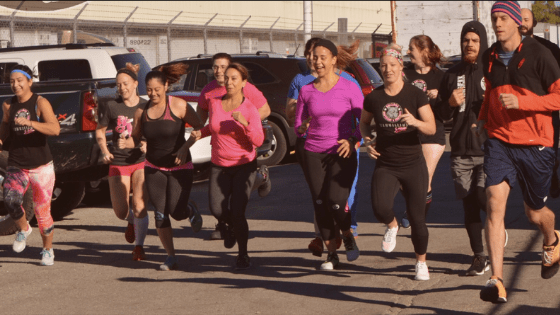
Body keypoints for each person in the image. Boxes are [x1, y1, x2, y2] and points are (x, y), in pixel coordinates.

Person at [478, 1, 560, 303]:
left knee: (535, 213)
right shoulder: (489, 57)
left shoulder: (541, 55)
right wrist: (481, 121)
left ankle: (552, 239)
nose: (497, 23)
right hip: (500, 140)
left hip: (536, 143)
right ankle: (497, 280)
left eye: (503, 18)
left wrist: (525, 103)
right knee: (494, 201)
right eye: (494, 18)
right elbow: (491, 92)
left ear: (516, 22)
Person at [360, 44, 436, 280]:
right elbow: (363, 124)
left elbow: (431, 128)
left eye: (392, 65)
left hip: (413, 164)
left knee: (417, 219)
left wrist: (415, 122)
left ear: (401, 66)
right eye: (383, 65)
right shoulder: (374, 97)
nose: (387, 69)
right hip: (386, 163)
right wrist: (366, 140)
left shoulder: (415, 94)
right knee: (379, 207)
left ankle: (421, 262)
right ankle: (392, 225)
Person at [119, 63, 204, 271]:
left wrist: (186, 146)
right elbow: (136, 139)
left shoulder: (179, 105)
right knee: (160, 213)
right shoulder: (142, 111)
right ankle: (171, 256)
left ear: (166, 86)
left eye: (157, 89)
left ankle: (189, 209)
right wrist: (126, 142)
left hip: (179, 167)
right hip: (154, 167)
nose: (153, 94)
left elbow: (200, 127)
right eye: (149, 90)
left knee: (176, 211)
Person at [286, 38, 363, 257]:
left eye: (322, 58)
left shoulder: (349, 86)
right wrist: (302, 126)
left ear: (333, 60)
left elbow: (363, 123)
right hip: (313, 152)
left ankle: (347, 234)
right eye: (314, 57)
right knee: (320, 202)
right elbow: (298, 126)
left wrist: (352, 140)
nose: (317, 62)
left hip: (341, 152)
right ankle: (331, 253)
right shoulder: (306, 90)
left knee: (337, 202)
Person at [194, 63, 264, 270]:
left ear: (243, 82)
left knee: (238, 211)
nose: (230, 82)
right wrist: (202, 133)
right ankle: (231, 227)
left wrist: (244, 123)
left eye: (235, 78)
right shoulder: (215, 103)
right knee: (217, 209)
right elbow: (214, 125)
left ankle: (243, 254)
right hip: (219, 164)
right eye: (227, 78)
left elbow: (259, 140)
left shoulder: (249, 109)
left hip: (244, 165)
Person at [440, 21, 493, 276]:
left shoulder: (493, 70)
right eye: (466, 40)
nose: (469, 44)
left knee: (485, 198)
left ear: (482, 41)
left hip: (489, 148)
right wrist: (449, 103)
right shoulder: (451, 74)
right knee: (470, 205)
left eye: (474, 40)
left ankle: (496, 227)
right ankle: (479, 257)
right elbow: (439, 113)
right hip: (460, 150)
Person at [0, 65, 60, 265]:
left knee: (43, 212)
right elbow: (5, 126)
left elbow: (54, 128)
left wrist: (31, 123)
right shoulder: (8, 105)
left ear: (29, 81)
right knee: (10, 198)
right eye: (12, 81)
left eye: (19, 81)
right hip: (17, 163)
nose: (15, 85)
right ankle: (24, 229)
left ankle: (47, 250)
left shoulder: (40, 103)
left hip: (41, 166)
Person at [96, 63, 151, 261]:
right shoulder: (111, 106)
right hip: (118, 161)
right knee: (121, 211)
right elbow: (100, 131)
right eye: (118, 85)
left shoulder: (146, 105)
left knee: (139, 205)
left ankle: (139, 247)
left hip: (140, 161)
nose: (122, 88)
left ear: (135, 84)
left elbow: (154, 131)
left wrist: (146, 144)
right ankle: (130, 221)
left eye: (125, 83)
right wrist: (104, 150)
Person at [400, 35, 445, 228]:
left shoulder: (441, 76)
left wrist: (440, 96)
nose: (408, 52)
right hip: (407, 132)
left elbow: (448, 111)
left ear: (424, 51)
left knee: (423, 179)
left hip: (432, 134)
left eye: (412, 48)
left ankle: (417, 219)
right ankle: (413, 207)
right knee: (404, 181)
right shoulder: (405, 74)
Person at [520, 7, 560, 198]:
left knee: (549, 149)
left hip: (547, 110)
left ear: (534, 23)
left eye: (526, 19)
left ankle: (551, 176)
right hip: (520, 112)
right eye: (519, 19)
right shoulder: (506, 51)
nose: (522, 23)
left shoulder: (550, 49)